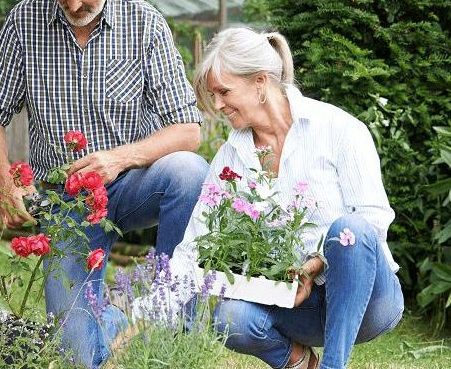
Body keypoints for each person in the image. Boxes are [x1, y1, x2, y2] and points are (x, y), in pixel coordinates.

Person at [0, 0, 208, 366]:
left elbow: (189, 130)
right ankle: (117, 321)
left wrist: (118, 158)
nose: (74, 3)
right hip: (65, 202)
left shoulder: (145, 24)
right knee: (74, 354)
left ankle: (175, 326)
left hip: (133, 185)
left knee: (190, 172)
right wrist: (5, 184)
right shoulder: (25, 21)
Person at [135, 27, 404, 369]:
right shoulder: (231, 156)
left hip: (367, 301)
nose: (217, 105)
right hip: (295, 306)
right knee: (230, 317)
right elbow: (194, 247)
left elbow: (373, 221)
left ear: (260, 82)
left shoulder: (339, 129)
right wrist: (146, 313)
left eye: (223, 91)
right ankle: (298, 361)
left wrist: (314, 264)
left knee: (352, 229)